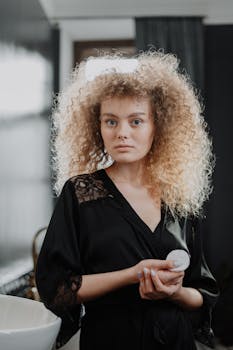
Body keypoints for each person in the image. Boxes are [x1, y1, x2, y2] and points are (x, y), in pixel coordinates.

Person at [36, 51, 219, 350]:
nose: (122, 133)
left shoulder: (178, 197)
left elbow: (202, 292)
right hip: (110, 340)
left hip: (175, 341)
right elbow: (57, 288)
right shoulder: (80, 193)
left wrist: (173, 293)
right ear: (97, 127)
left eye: (136, 121)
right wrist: (132, 275)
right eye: (111, 122)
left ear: (157, 127)